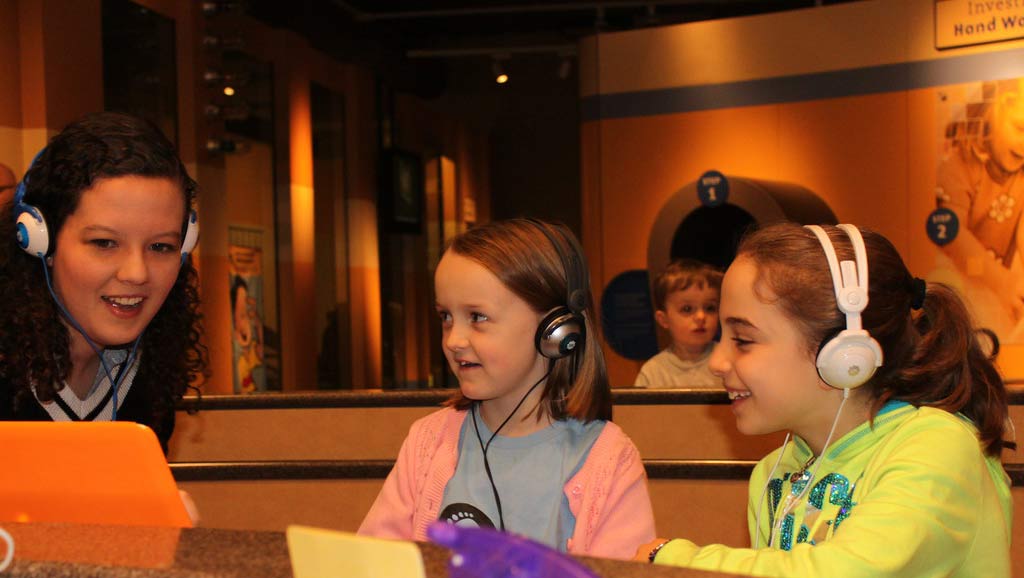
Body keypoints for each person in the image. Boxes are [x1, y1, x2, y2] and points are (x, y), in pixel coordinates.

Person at [638, 222, 1013, 576]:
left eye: (743, 340)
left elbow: (843, 571)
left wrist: (667, 560)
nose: (718, 362)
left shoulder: (935, 448)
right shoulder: (775, 473)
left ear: (844, 353)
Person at [359, 218, 656, 559]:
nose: (454, 340)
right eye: (446, 317)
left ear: (555, 330)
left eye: (477, 317)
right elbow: (374, 562)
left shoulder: (608, 459)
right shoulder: (428, 443)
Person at [0, 111, 207, 455]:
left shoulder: (147, 376)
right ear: (41, 242)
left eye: (161, 247)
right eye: (104, 243)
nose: (137, 273)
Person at [934, 77, 1024, 341]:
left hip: (998, 285)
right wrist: (1004, 283)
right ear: (989, 118)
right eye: (1019, 128)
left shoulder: (1020, 174)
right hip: (961, 280)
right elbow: (953, 236)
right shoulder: (959, 165)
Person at [634, 259, 722, 388]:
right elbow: (637, 409)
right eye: (687, 309)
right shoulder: (653, 372)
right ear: (663, 319)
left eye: (710, 308)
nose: (701, 317)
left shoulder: (729, 360)